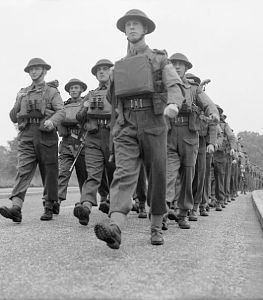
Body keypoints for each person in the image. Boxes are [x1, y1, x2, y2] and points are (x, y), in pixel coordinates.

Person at [94, 9, 184, 248]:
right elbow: (113, 103)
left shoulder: (159, 59)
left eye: (136, 24)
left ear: (145, 29)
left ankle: (156, 226)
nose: (132, 28)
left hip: (154, 122)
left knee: (158, 175)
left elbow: (174, 83)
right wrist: (115, 131)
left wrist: (173, 103)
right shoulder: (118, 67)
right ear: (124, 32)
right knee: (123, 174)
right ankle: (115, 227)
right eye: (128, 25)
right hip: (126, 125)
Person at [0, 58, 65, 222]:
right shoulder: (23, 92)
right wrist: (18, 101)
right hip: (26, 133)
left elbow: (61, 111)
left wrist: (52, 121)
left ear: (44, 71)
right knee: (23, 170)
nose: (34, 71)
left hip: (46, 133)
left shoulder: (52, 92)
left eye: (37, 69)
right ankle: (16, 208)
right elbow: (14, 117)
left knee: (49, 171)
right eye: (31, 69)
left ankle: (49, 205)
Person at [166, 53, 219, 229]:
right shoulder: (164, 85)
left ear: (187, 68)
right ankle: (164, 210)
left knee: (188, 176)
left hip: (189, 136)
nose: (177, 66)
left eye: (181, 64)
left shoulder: (194, 89)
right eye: (174, 64)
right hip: (169, 133)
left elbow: (208, 104)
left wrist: (213, 113)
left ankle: (183, 213)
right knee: (168, 174)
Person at [73, 59, 115, 226]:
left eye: (105, 69)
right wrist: (85, 107)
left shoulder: (118, 93)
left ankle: (114, 203)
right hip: (93, 136)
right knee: (93, 174)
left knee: (115, 174)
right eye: (99, 71)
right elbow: (78, 117)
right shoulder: (90, 95)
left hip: (113, 136)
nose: (102, 72)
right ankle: (86, 206)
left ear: (111, 72)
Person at [55, 78, 88, 214]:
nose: (74, 90)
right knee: (63, 173)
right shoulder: (63, 106)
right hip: (67, 142)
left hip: (82, 143)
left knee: (83, 175)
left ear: (81, 90)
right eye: (71, 88)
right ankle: (56, 201)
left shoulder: (86, 104)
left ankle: (84, 202)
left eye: (76, 88)